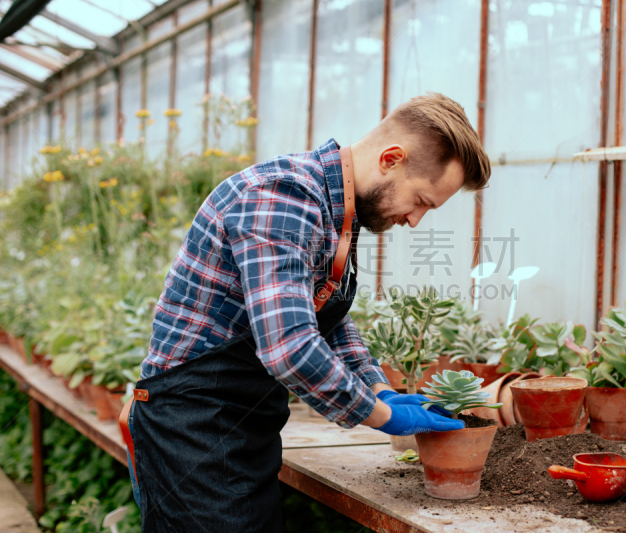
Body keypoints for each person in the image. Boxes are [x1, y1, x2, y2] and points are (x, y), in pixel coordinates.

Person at [122, 92, 492, 531]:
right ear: (391, 159)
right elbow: (289, 346)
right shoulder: (281, 198)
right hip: (189, 429)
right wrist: (380, 416)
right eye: (422, 201)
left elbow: (324, 316)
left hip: (239, 427)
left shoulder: (336, 209)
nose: (415, 221)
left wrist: (377, 386)